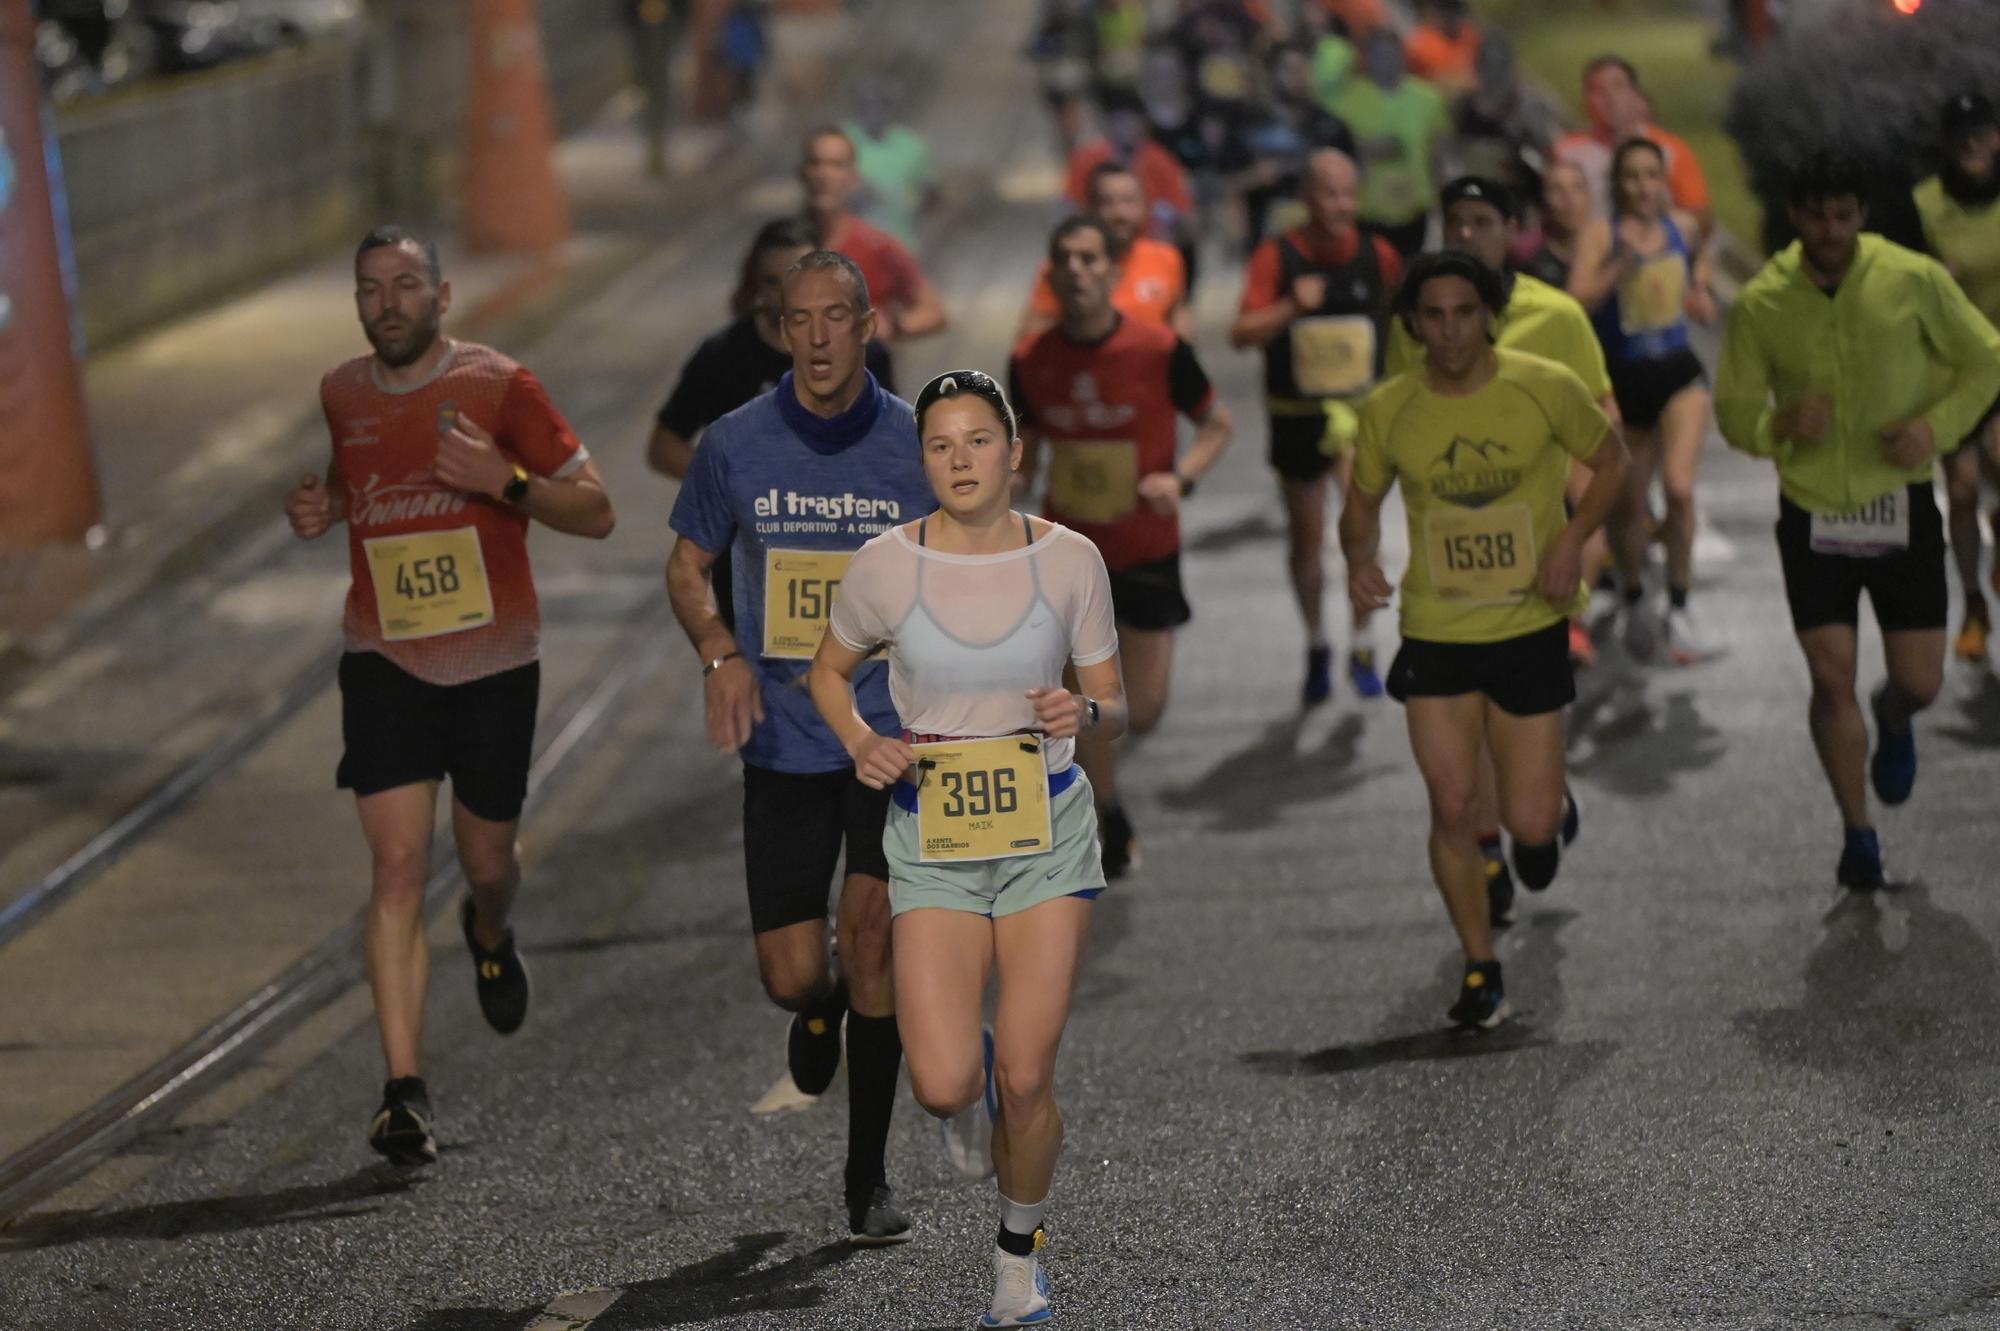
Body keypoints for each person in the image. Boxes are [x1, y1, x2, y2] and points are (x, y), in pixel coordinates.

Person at [283, 227, 616, 1165]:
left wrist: (503, 481)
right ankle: (403, 1091)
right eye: (370, 288)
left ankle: (490, 924)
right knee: (395, 870)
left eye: (405, 285)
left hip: (492, 664)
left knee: (485, 860)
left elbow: (596, 507)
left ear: (444, 294)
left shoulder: (500, 384)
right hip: (384, 661)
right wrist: (328, 509)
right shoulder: (341, 392)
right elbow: (363, 482)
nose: (388, 302)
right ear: (356, 304)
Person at [808, 368, 1125, 1331]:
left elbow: (1120, 700)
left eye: (978, 441)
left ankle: (1017, 1259)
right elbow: (828, 672)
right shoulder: (885, 565)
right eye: (941, 445)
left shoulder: (1071, 559)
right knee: (946, 1081)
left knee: (1029, 1079)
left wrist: (1087, 707)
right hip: (933, 834)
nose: (960, 460)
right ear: (923, 461)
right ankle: (972, 1075)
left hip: (1046, 830)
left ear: (1015, 449)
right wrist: (863, 742)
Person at [665, 250, 937, 1241]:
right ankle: (814, 1011)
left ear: (868, 326)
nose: (817, 339)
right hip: (782, 740)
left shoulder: (916, 443)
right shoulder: (734, 443)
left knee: (871, 937)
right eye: (798, 320)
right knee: (791, 971)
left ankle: (866, 1179)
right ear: (779, 330)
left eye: (836, 318)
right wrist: (717, 652)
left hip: (889, 737)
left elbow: (977, 566)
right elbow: (687, 564)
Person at [1342, 251, 1626, 1027]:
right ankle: (1480, 965)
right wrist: (1359, 559)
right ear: (1412, 325)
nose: (1450, 329)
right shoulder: (1392, 407)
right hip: (1437, 627)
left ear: (1489, 315)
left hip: (1529, 623)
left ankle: (1545, 817)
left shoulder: (1543, 385)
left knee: (1531, 827)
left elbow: (1612, 462)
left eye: (1465, 311)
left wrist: (1571, 542)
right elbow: (1361, 503)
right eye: (1432, 315)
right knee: (1454, 803)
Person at [1716, 155, 2000, 890]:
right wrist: (1778, 422)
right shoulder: (1762, 302)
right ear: (1796, 216)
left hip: (1898, 507)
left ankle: (1896, 715)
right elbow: (1733, 411)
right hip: (1813, 516)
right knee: (1829, 677)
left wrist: (1934, 430)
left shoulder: (1913, 280)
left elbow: (1988, 360)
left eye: (1845, 215)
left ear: (1862, 216)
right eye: (1817, 216)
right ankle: (1858, 833)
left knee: (1922, 680)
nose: (1831, 231)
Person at [1384, 177, 1621, 923]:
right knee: (1467, 716)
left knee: (1513, 726)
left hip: (1535, 553)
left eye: (1483, 220)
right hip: (1449, 561)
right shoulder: (1420, 317)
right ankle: (1484, 849)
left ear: (1514, 229)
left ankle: (1537, 807)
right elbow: (1400, 418)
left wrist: (1581, 523)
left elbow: (1602, 416)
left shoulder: (1556, 316)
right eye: (1453, 221)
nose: (1466, 233)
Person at [1012, 216, 1235, 877]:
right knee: (1089, 703)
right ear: (1051, 276)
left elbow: (1218, 423)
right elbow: (1023, 445)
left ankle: (1101, 788)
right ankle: (1103, 809)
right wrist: (1011, 480)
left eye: (1089, 259)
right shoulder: (1031, 361)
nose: (1076, 270)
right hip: (1070, 557)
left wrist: (1182, 476)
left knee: (1142, 707)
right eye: (1065, 260)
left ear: (1113, 272)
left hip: (1147, 547)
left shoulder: (1159, 348)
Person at [1231, 147, 1404, 704]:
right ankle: (1315, 643)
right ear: (1306, 199)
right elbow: (1242, 333)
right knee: (1308, 542)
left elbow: (1405, 322)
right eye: (1327, 192)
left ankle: (1361, 643)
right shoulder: (1278, 257)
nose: (1339, 204)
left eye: (1348, 192)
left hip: (1358, 419)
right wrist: (1289, 307)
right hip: (1298, 417)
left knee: (1360, 531)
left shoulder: (1378, 254)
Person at [1569, 137, 1719, 664]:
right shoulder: (1599, 234)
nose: (1641, 187)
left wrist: (1701, 289)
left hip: (1678, 373)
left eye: (1650, 175)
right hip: (1623, 378)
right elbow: (1574, 302)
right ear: (1617, 184)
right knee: (1629, 505)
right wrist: (1617, 270)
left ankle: (1679, 605)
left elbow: (1699, 259)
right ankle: (1635, 593)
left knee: (1678, 490)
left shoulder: (1683, 225)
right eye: (1630, 176)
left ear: (1663, 181)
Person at [1912, 92, 2000, 662]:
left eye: (1983, 131)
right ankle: (1972, 604)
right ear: (1947, 141)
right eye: (1961, 132)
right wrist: (1929, 280)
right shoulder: (1925, 203)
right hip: (1951, 368)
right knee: (1961, 492)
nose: (1973, 142)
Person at [802, 126, 948, 344]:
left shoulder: (877, 245)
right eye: (816, 163)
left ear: (853, 177)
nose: (824, 174)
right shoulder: (779, 245)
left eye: (836, 165)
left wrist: (888, 327)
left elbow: (933, 312)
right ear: (803, 172)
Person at [1019, 162, 1190, 345]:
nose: (1119, 213)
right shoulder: (1066, 267)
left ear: (1144, 206)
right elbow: (1030, 344)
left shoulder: (1167, 259)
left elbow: (1179, 322)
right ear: (1090, 209)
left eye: (1128, 201)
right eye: (1108, 202)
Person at [1553, 56, 1713, 237]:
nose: (1610, 98)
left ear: (1635, 95)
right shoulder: (1567, 152)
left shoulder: (1670, 150)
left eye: (1618, 87)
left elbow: (1700, 217)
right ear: (1586, 100)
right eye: (1598, 91)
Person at [1331, 29, 1449, 260]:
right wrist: (1362, 151)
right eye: (1379, 54)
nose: (1386, 59)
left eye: (1391, 53)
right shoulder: (1348, 103)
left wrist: (1446, 200)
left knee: (1410, 277)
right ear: (1368, 58)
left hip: (1415, 209)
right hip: (1368, 210)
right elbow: (1337, 157)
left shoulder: (1428, 99)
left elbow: (1440, 154)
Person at [1234, 41, 1357, 249]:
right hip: (1266, 240)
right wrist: (1253, 176)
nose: (1296, 77)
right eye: (1289, 69)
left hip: (1323, 242)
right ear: (1272, 73)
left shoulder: (1330, 126)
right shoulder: (1248, 126)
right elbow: (1220, 185)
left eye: (1302, 69)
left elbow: (1356, 179)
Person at [843, 80, 939, 249]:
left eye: (881, 106)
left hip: (898, 245)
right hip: (848, 245)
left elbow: (932, 196)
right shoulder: (841, 138)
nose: (873, 113)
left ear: (892, 110)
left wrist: (903, 205)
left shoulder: (912, 146)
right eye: (866, 106)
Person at [1518, 159, 1594, 290]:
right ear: (1543, 200)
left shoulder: (1611, 251)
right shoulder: (1529, 262)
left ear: (1589, 196)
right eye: (1556, 189)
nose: (1570, 200)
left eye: (1577, 187)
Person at [1402, 0, 1481, 95]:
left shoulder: (1470, 36)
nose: (1451, 16)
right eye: (1446, 9)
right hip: (1432, 101)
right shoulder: (1419, 44)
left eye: (1454, 9)